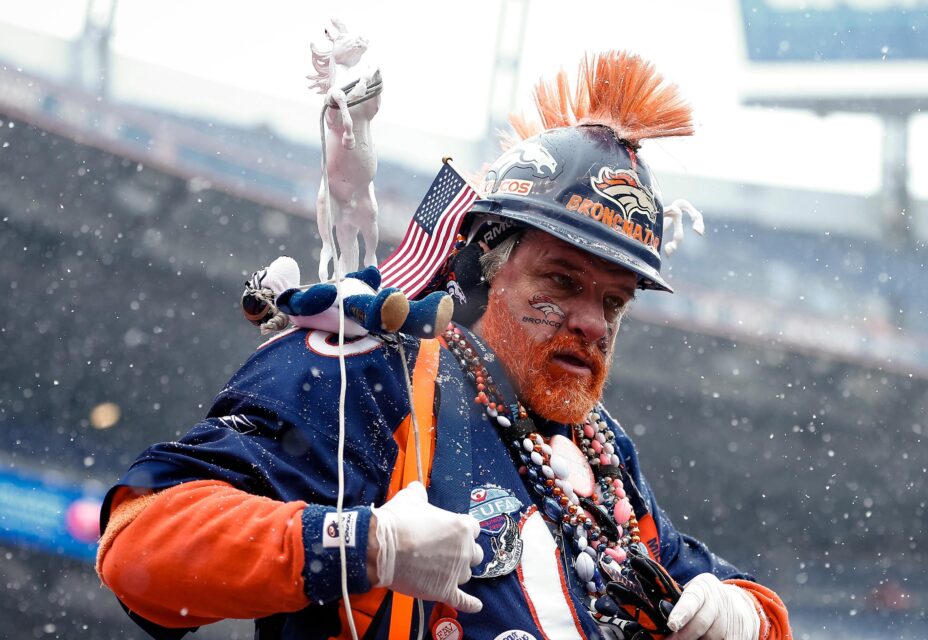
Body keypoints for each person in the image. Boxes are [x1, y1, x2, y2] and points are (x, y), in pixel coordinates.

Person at [96, 51, 792, 640]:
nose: (592, 322)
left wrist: (749, 618)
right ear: (482, 270)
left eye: (613, 302)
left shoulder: (602, 452)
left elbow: (731, 593)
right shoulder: (372, 366)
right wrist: (360, 544)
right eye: (561, 281)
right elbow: (139, 544)